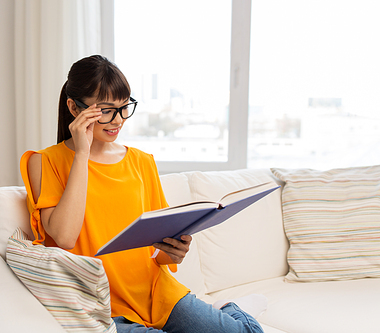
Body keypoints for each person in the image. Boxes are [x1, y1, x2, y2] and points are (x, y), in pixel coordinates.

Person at [20, 55, 266, 333]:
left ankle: (230, 312)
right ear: (74, 108)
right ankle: (226, 313)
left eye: (124, 107)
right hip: (97, 309)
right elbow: (64, 238)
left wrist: (173, 252)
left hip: (157, 295)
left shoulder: (142, 161)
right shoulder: (44, 162)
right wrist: (82, 154)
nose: (118, 120)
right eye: (106, 111)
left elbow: (155, 253)